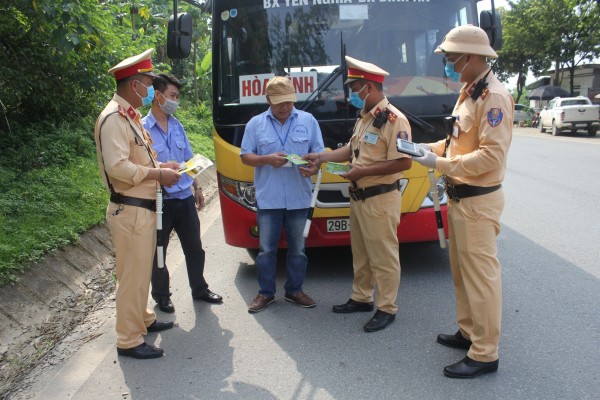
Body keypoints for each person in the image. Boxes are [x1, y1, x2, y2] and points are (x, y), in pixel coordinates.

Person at [411, 25, 513, 378]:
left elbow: (490, 158)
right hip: (460, 200)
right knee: (462, 274)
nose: (449, 63)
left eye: (452, 57)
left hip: (478, 202)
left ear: (469, 56)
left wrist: (438, 163)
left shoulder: (494, 97)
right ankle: (469, 332)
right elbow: (458, 143)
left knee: (481, 278)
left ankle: (485, 353)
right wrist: (429, 149)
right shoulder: (470, 93)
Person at [304, 56, 412, 333]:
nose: (352, 94)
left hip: (380, 198)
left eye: (355, 88)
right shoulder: (365, 118)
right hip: (359, 197)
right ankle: (362, 297)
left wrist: (362, 172)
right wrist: (321, 157)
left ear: (370, 88)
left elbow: (404, 162)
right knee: (361, 253)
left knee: (384, 256)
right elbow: (351, 152)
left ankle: (387, 307)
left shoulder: (394, 120)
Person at [94, 49, 182, 359]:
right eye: (147, 83)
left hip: (139, 209)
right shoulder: (114, 119)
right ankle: (128, 339)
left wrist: (162, 166)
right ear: (135, 86)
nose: (150, 91)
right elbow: (118, 167)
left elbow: (137, 158)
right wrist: (157, 173)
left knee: (139, 271)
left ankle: (142, 318)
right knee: (132, 276)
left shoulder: (127, 116)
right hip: (130, 209)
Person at [240, 76, 324, 313]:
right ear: (268, 100)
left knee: (298, 249)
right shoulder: (255, 124)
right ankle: (265, 294)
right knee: (266, 250)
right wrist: (267, 159)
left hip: (299, 197)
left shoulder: (308, 121)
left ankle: (294, 290)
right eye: (279, 103)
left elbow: (318, 154)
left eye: (288, 101)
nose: (285, 107)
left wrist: (314, 167)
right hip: (269, 198)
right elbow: (246, 156)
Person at [142, 74, 223, 314]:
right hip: (159, 201)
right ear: (158, 96)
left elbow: (189, 159)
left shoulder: (177, 125)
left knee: (194, 247)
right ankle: (162, 296)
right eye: (173, 96)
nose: (176, 101)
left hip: (184, 197)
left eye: (177, 97)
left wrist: (197, 186)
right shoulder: (142, 129)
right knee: (159, 251)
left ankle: (199, 288)